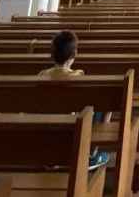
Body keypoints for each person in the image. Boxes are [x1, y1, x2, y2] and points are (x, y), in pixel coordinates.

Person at [39, 31, 111, 171]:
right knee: (102, 105)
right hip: (71, 130)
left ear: (52, 54)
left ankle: (52, 154)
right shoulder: (78, 75)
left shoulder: (42, 75)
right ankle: (92, 153)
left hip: (47, 131)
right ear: (74, 54)